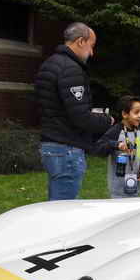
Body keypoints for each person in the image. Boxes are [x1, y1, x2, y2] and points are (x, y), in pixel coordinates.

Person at [35, 22, 112, 200]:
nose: (92, 52)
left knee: (56, 204)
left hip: (51, 145)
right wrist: (107, 120)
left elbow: (57, 108)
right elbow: (80, 117)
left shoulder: (49, 63)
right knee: (64, 209)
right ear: (80, 41)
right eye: (91, 46)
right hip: (67, 149)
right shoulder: (70, 69)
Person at [93, 95, 140, 198]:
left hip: (136, 188)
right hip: (117, 191)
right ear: (125, 114)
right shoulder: (115, 131)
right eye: (136, 112)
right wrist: (116, 144)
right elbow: (98, 148)